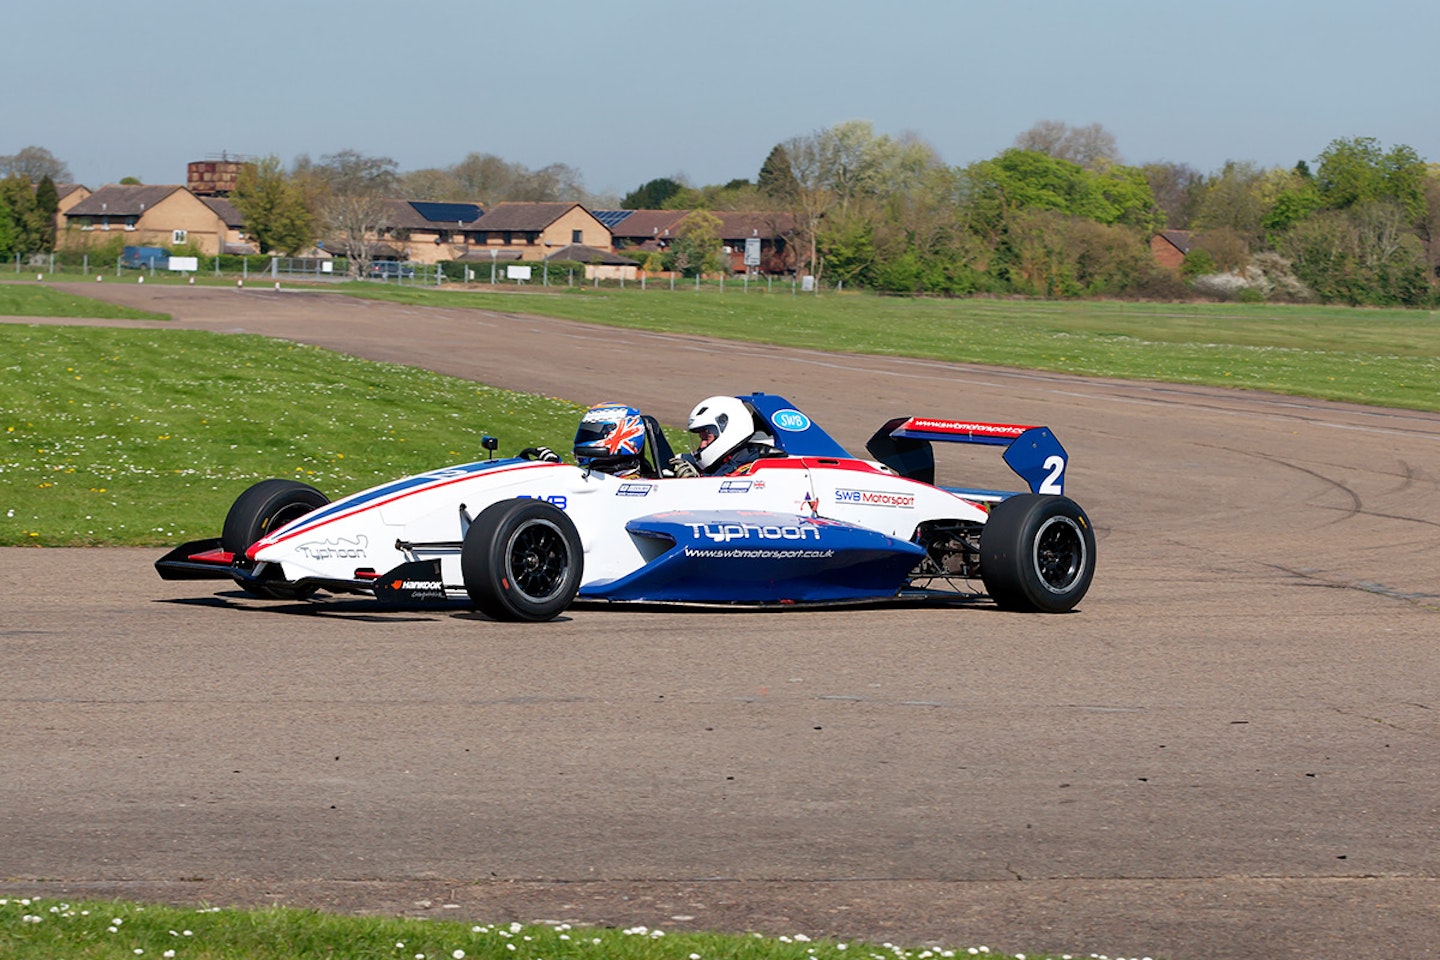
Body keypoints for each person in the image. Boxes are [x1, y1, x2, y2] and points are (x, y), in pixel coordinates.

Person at [669, 395, 781, 477]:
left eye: (706, 439)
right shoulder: (722, 463)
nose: (701, 446)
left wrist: (694, 483)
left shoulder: (750, 472)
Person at [570, 402, 650, 478]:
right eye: (586, 432)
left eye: (594, 433)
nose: (587, 437)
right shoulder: (590, 476)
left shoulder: (634, 482)